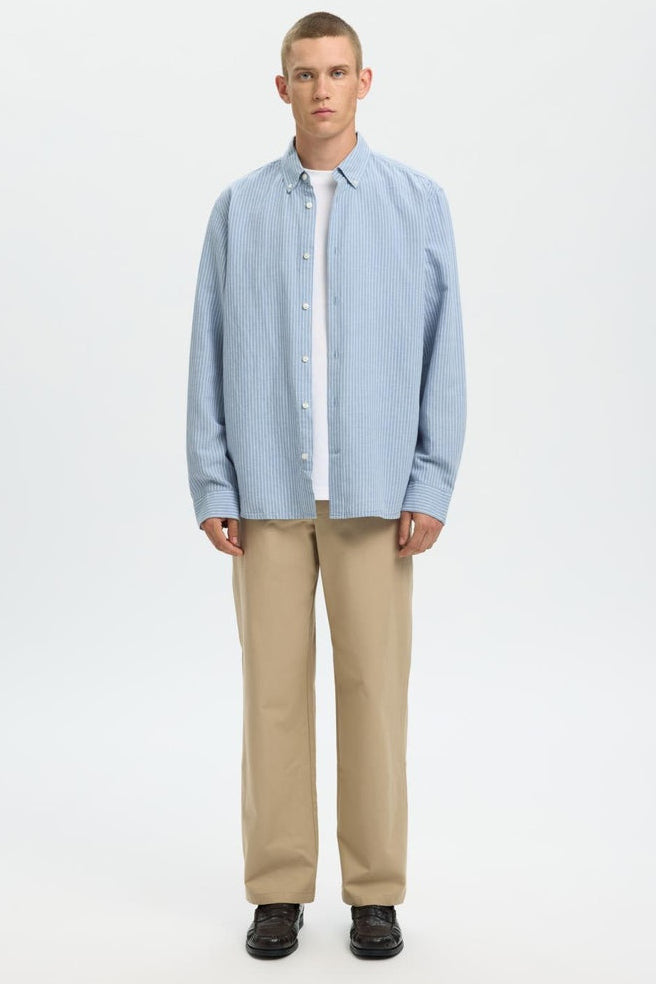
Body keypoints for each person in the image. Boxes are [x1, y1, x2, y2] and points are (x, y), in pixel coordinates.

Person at [186, 10, 467, 961]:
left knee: (374, 693)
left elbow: (444, 351)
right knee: (271, 697)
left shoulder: (417, 203)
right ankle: (278, 890)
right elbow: (206, 348)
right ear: (282, 87)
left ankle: (374, 894)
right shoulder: (239, 209)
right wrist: (212, 480)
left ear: (364, 82)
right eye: (304, 74)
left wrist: (431, 480)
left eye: (337, 72)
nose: (321, 89)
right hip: (266, 489)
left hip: (375, 493)